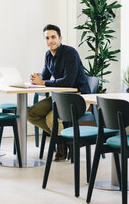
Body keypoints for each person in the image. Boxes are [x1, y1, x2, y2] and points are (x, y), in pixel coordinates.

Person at [27, 24, 91, 161]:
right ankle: (63, 141)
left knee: (51, 118)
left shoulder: (70, 52)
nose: (50, 41)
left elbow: (68, 81)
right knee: (31, 114)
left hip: (79, 98)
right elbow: (44, 77)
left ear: (60, 38)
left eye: (53, 37)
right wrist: (35, 79)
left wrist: (43, 82)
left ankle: (63, 146)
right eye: (47, 38)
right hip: (60, 97)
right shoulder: (48, 55)